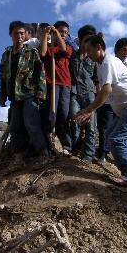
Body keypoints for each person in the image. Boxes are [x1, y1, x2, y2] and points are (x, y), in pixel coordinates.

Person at [74, 34, 127, 186]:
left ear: (99, 48)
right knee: (110, 136)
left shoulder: (108, 62)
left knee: (116, 139)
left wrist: (89, 109)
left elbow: (106, 89)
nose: (87, 54)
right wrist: (89, 109)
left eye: (89, 50)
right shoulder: (100, 65)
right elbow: (104, 93)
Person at [0, 20, 47, 158]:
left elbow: (40, 72)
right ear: (10, 34)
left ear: (26, 34)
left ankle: (43, 153)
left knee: (32, 123)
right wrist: (2, 95)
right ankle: (18, 157)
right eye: (16, 33)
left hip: (29, 92)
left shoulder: (31, 52)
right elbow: (2, 76)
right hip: (14, 95)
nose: (19, 36)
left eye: (22, 33)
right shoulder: (6, 54)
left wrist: (41, 93)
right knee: (15, 126)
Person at [40, 21, 74, 154]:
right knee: (50, 115)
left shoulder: (68, 47)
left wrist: (58, 35)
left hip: (65, 84)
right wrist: (46, 34)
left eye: (66, 32)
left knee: (63, 114)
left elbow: (64, 49)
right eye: (61, 32)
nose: (63, 34)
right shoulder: (49, 48)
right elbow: (42, 54)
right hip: (52, 84)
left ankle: (66, 146)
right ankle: (49, 145)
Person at [69, 24, 98, 162]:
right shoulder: (72, 55)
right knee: (75, 122)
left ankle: (88, 154)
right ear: (80, 41)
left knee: (91, 125)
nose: (89, 43)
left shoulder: (95, 58)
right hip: (74, 93)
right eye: (86, 39)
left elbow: (97, 78)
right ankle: (75, 148)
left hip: (90, 93)